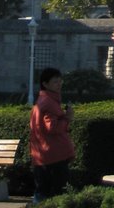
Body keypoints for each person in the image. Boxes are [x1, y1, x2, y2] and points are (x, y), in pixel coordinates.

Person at [29, 67, 75, 202]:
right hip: (54, 156)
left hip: (43, 155)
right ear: (45, 84)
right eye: (56, 82)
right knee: (57, 195)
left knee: (42, 193)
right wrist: (68, 118)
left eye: (61, 81)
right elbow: (52, 128)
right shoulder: (48, 103)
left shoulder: (43, 101)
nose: (60, 84)